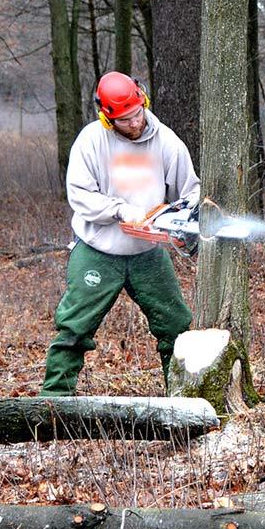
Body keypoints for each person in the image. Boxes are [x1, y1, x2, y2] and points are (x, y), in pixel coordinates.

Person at [39, 71, 200, 396]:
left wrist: (182, 217)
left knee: (176, 325)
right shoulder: (91, 141)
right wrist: (120, 210)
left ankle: (182, 403)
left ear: (144, 101)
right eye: (125, 120)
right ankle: (53, 403)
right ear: (108, 117)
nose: (135, 123)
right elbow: (81, 196)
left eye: (137, 113)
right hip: (98, 248)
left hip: (147, 253)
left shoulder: (166, 141)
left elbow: (190, 190)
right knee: (75, 326)